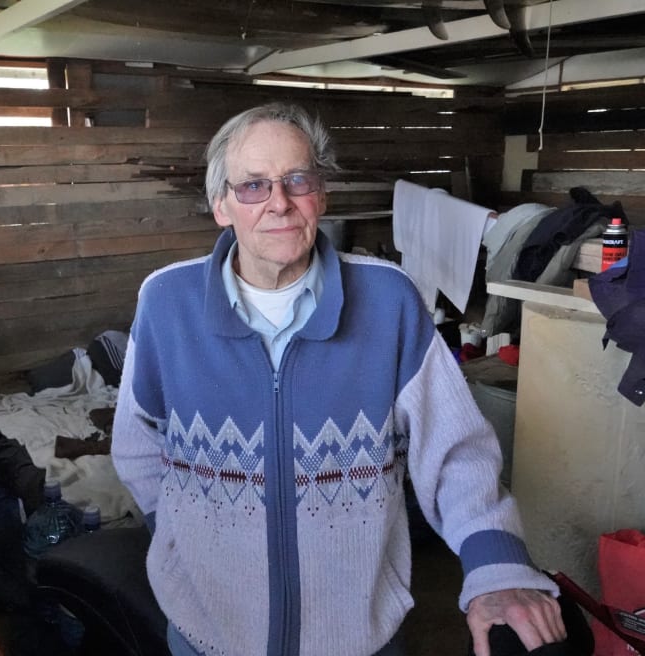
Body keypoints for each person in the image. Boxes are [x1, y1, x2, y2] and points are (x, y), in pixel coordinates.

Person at [111, 102, 569, 656]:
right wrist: (186, 537)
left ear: (321, 196)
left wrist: (498, 569)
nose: (278, 203)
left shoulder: (388, 300)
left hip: (358, 638)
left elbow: (455, 452)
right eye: (253, 186)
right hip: (206, 632)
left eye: (296, 180)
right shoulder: (166, 302)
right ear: (221, 207)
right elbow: (138, 443)